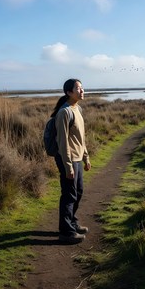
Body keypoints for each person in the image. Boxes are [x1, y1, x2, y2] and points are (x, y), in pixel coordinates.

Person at [51, 78, 91, 244]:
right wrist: (68, 167)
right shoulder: (64, 112)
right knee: (69, 195)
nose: (82, 91)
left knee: (78, 192)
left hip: (77, 159)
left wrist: (86, 157)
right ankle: (66, 232)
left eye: (82, 88)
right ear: (69, 92)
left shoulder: (78, 109)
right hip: (68, 159)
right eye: (78, 88)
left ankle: (71, 223)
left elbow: (80, 138)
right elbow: (63, 142)